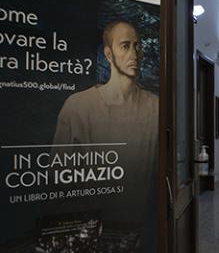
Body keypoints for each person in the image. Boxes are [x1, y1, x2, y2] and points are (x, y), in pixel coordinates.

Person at [53, 20, 159, 214]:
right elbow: (60, 176)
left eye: (137, 46)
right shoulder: (78, 107)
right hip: (93, 225)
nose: (134, 55)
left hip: (143, 225)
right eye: (125, 46)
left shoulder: (155, 107)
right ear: (108, 54)